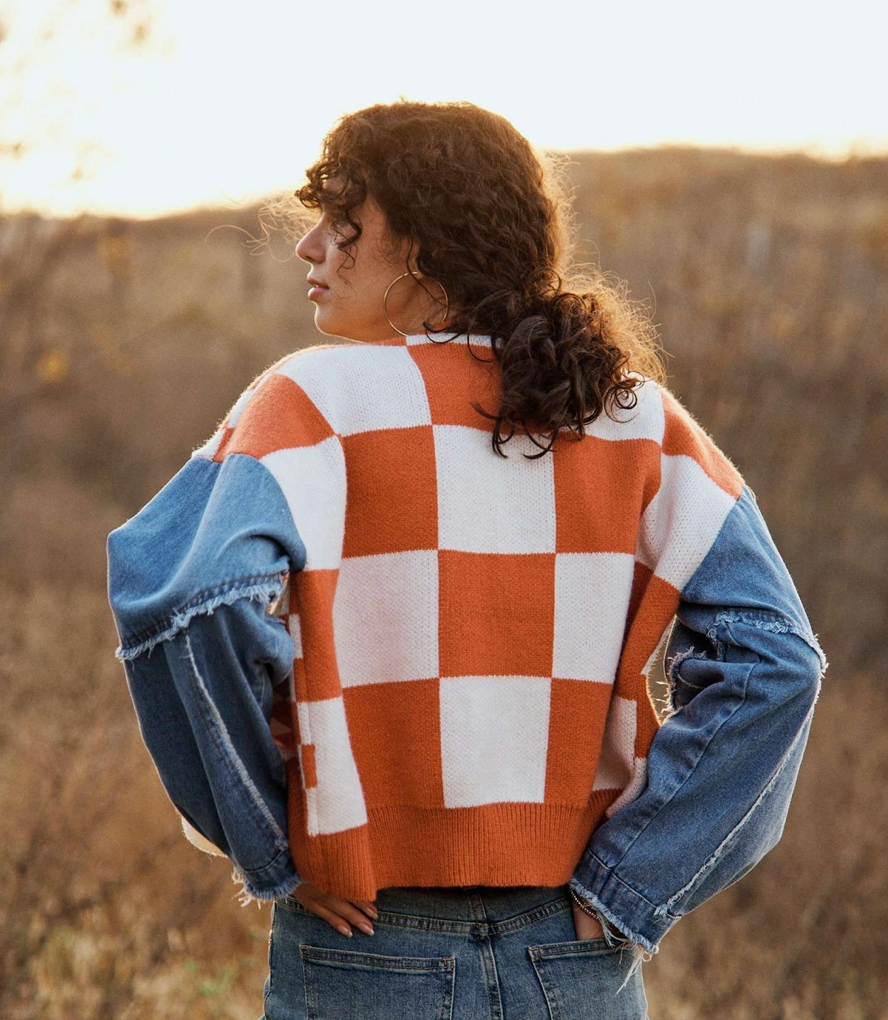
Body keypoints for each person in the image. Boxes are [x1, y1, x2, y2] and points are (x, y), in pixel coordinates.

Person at [106, 100, 828, 1020]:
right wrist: (631, 885)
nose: (310, 248)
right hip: (575, 959)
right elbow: (779, 661)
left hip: (366, 947)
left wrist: (275, 848)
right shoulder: (633, 416)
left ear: (418, 245)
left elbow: (187, 602)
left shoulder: (308, 403)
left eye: (345, 222)